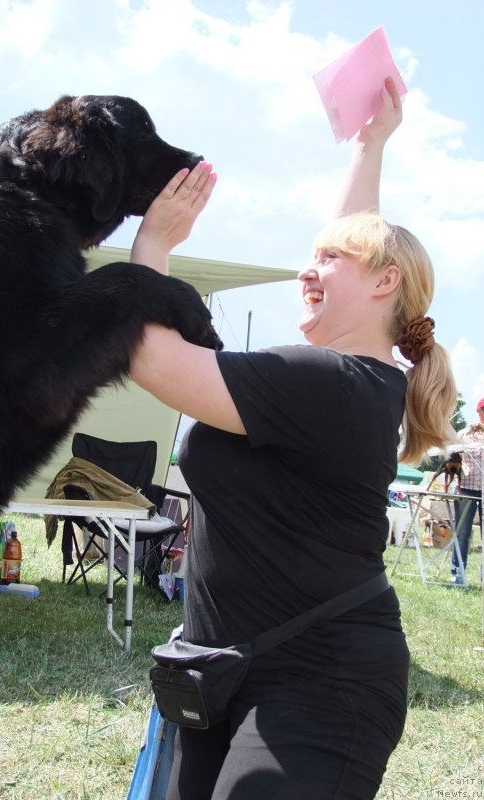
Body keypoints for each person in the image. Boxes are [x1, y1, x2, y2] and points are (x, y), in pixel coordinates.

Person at [128, 77, 457, 800]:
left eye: (328, 262)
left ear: (384, 286)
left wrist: (152, 243)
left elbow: (149, 358)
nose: (307, 270)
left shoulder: (331, 383)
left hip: (324, 681)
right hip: (220, 666)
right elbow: (356, 246)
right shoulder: (337, 376)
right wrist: (370, 145)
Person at [451, 397, 484, 585]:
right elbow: (452, 457)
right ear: (478, 411)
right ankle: (458, 572)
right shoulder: (464, 434)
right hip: (466, 487)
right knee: (463, 532)